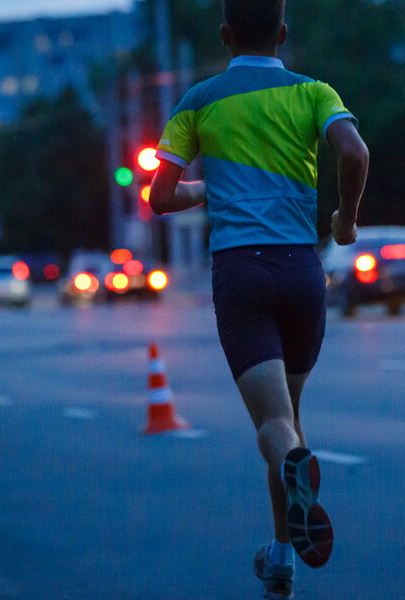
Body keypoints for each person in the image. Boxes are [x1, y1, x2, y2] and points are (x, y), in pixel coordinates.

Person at [148, 0, 369, 597]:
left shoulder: (199, 99)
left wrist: (210, 189)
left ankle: (294, 488)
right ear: (284, 33)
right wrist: (346, 221)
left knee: (276, 428)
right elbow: (355, 152)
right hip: (301, 272)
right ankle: (281, 557)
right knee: (289, 418)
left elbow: (160, 197)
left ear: (224, 35)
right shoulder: (314, 92)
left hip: (241, 274)